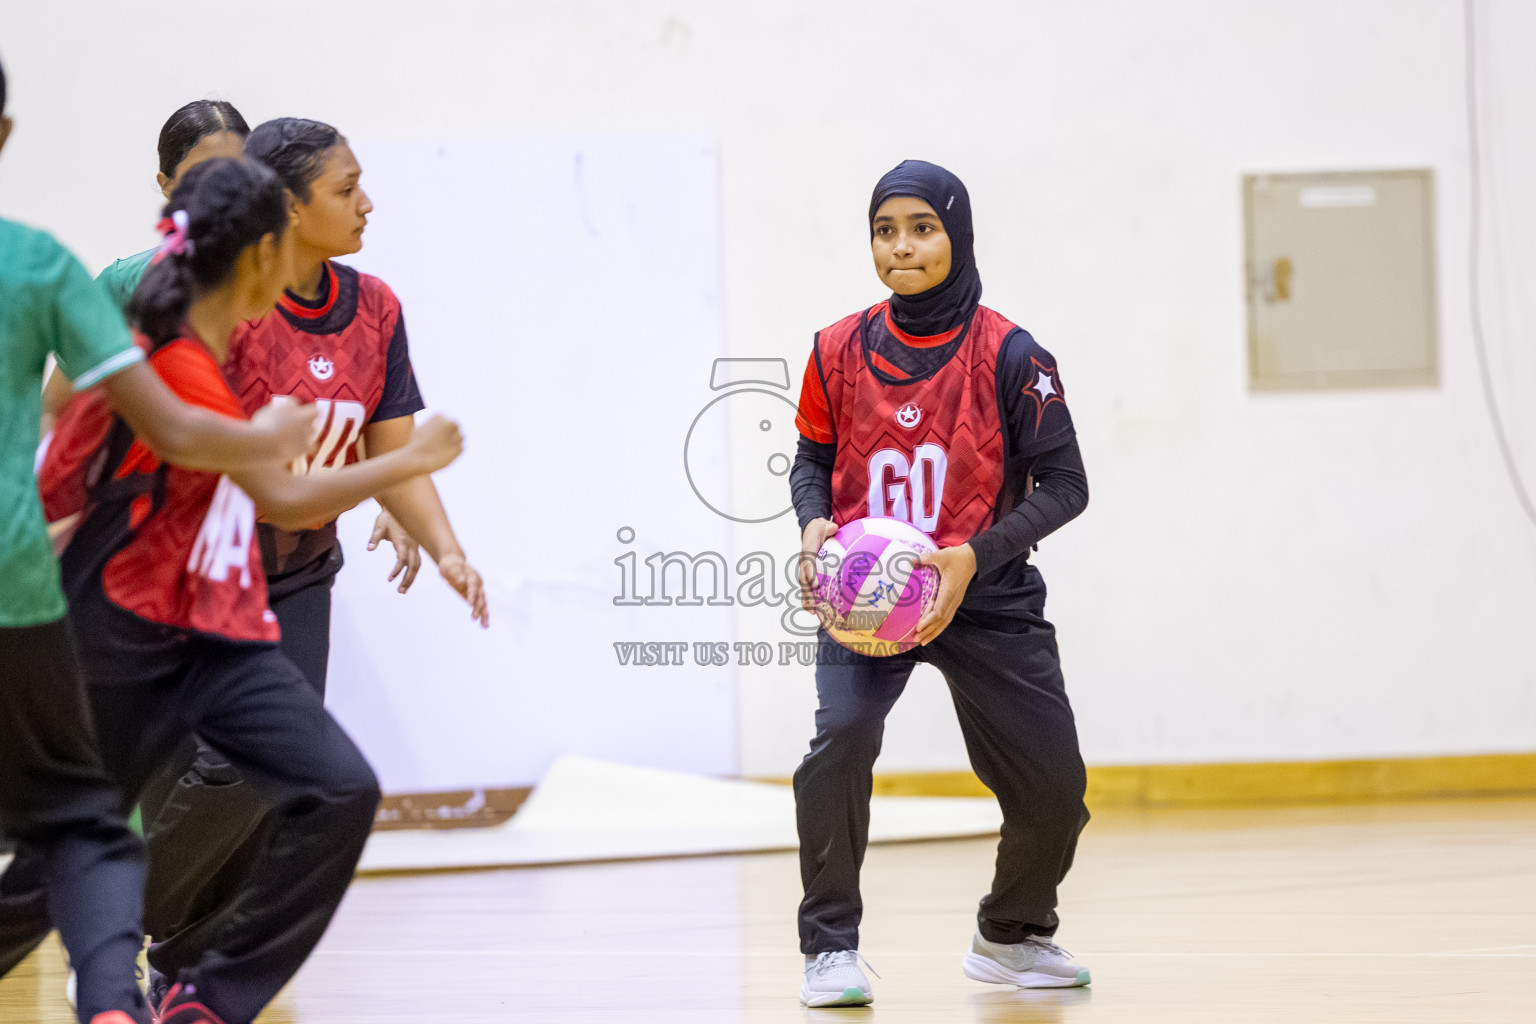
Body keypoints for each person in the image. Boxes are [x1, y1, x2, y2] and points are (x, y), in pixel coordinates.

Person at [8, 155, 465, 1024]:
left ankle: (201, 998)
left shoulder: (227, 358)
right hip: (128, 633)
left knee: (338, 789)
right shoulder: (165, 371)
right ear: (261, 256)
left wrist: (399, 473)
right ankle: (115, 996)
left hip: (223, 629)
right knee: (67, 852)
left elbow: (284, 494)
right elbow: (62, 487)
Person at [137, 116, 489, 996]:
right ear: (288, 209)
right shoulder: (220, 307)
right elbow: (282, 476)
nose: (366, 203)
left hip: (297, 577)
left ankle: (189, 981)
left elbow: (386, 447)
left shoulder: (375, 308)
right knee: (219, 773)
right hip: (192, 579)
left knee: (280, 783)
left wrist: (447, 546)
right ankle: (119, 920)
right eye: (345, 188)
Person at [0, 67, 314, 1024]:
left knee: (194, 782)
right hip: (119, 567)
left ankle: (141, 977)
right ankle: (117, 977)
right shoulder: (114, 281)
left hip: (241, 564)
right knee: (114, 795)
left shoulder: (297, 285)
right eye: (201, 173)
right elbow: (85, 413)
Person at [788, 160, 1092, 1007]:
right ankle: (829, 950)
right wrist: (814, 522)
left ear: (956, 234)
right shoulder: (835, 348)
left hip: (983, 589)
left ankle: (1012, 934)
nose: (902, 247)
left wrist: (974, 556)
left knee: (1054, 789)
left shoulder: (1014, 353)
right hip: (866, 595)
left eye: (922, 227)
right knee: (839, 744)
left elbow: (1067, 485)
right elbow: (813, 457)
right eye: (885, 230)